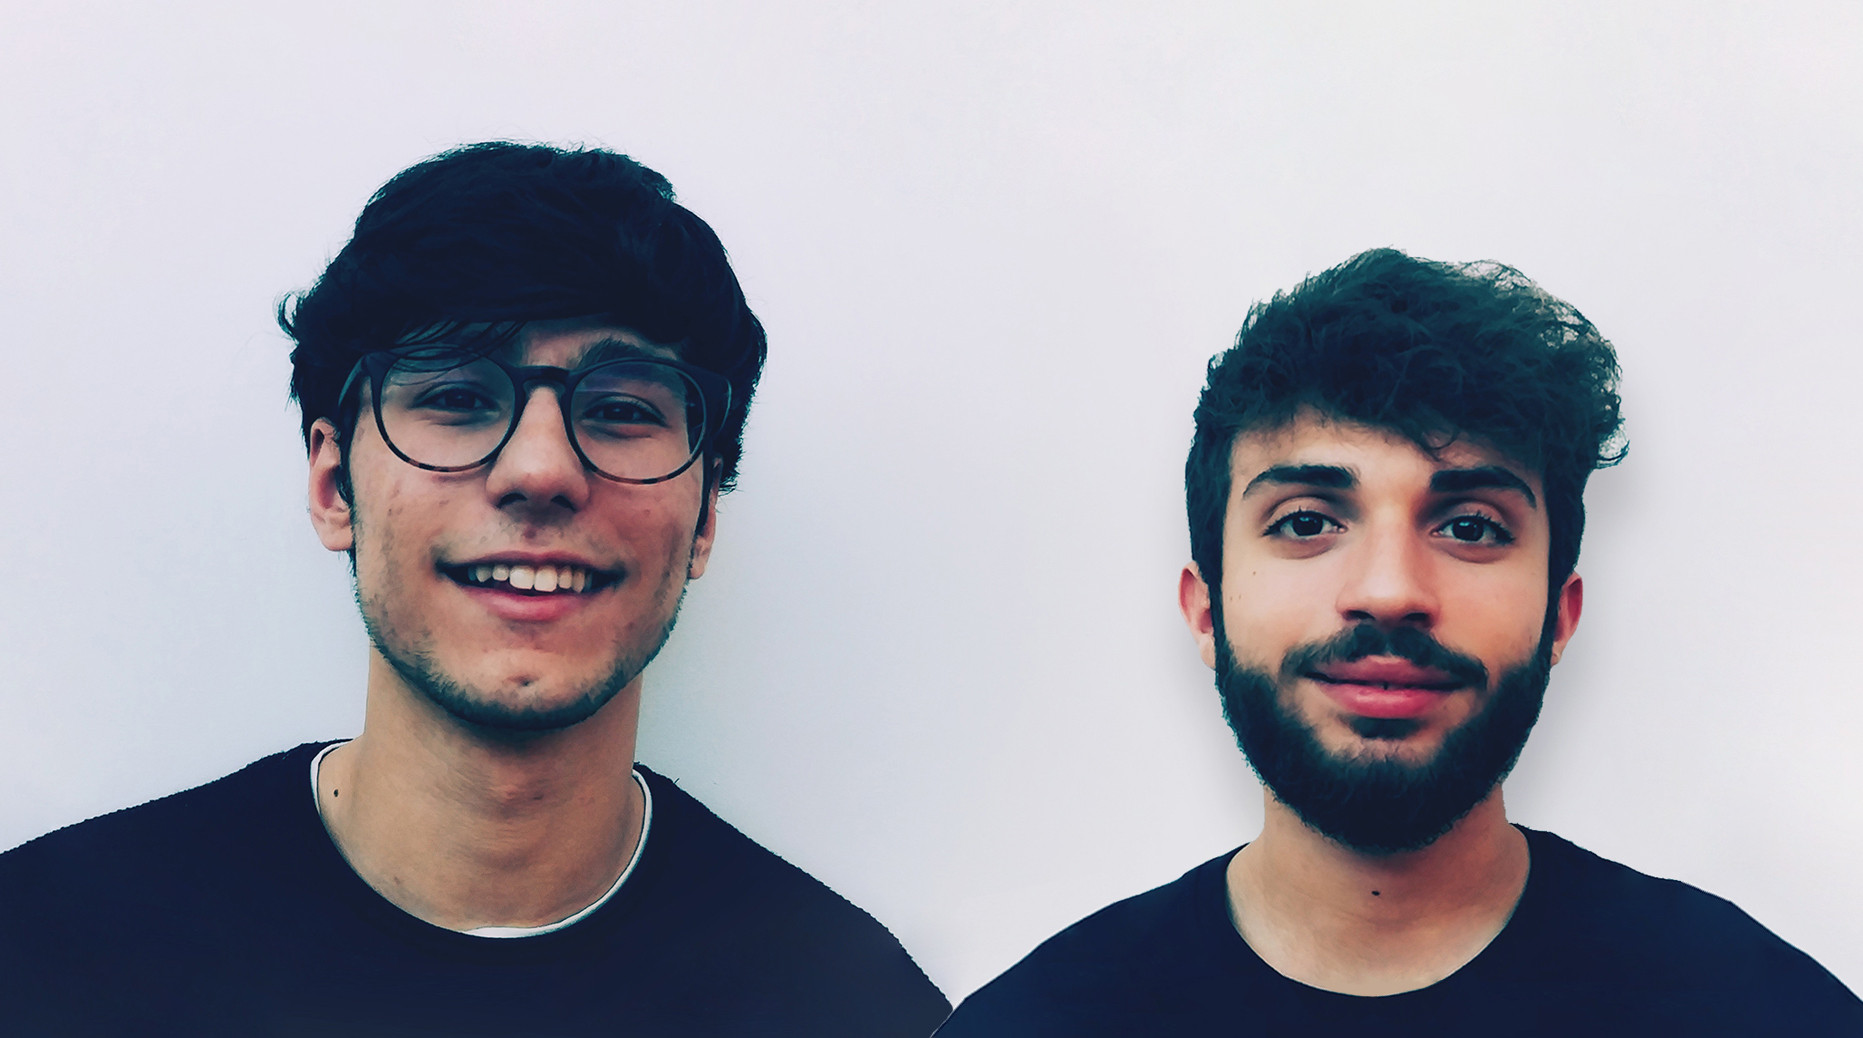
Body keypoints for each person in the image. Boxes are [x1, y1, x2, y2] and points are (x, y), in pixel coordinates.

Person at [0, 142, 948, 1036]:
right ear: (334, 488)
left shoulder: (858, 1013)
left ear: (702, 519)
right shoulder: (42, 954)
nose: (540, 470)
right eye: (457, 397)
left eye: (621, 409)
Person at [938, 249, 1862, 1035]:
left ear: (1559, 616)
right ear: (1206, 610)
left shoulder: (1761, 1011)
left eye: (1469, 527)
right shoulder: (1031, 1023)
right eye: (1306, 522)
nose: (1388, 589)